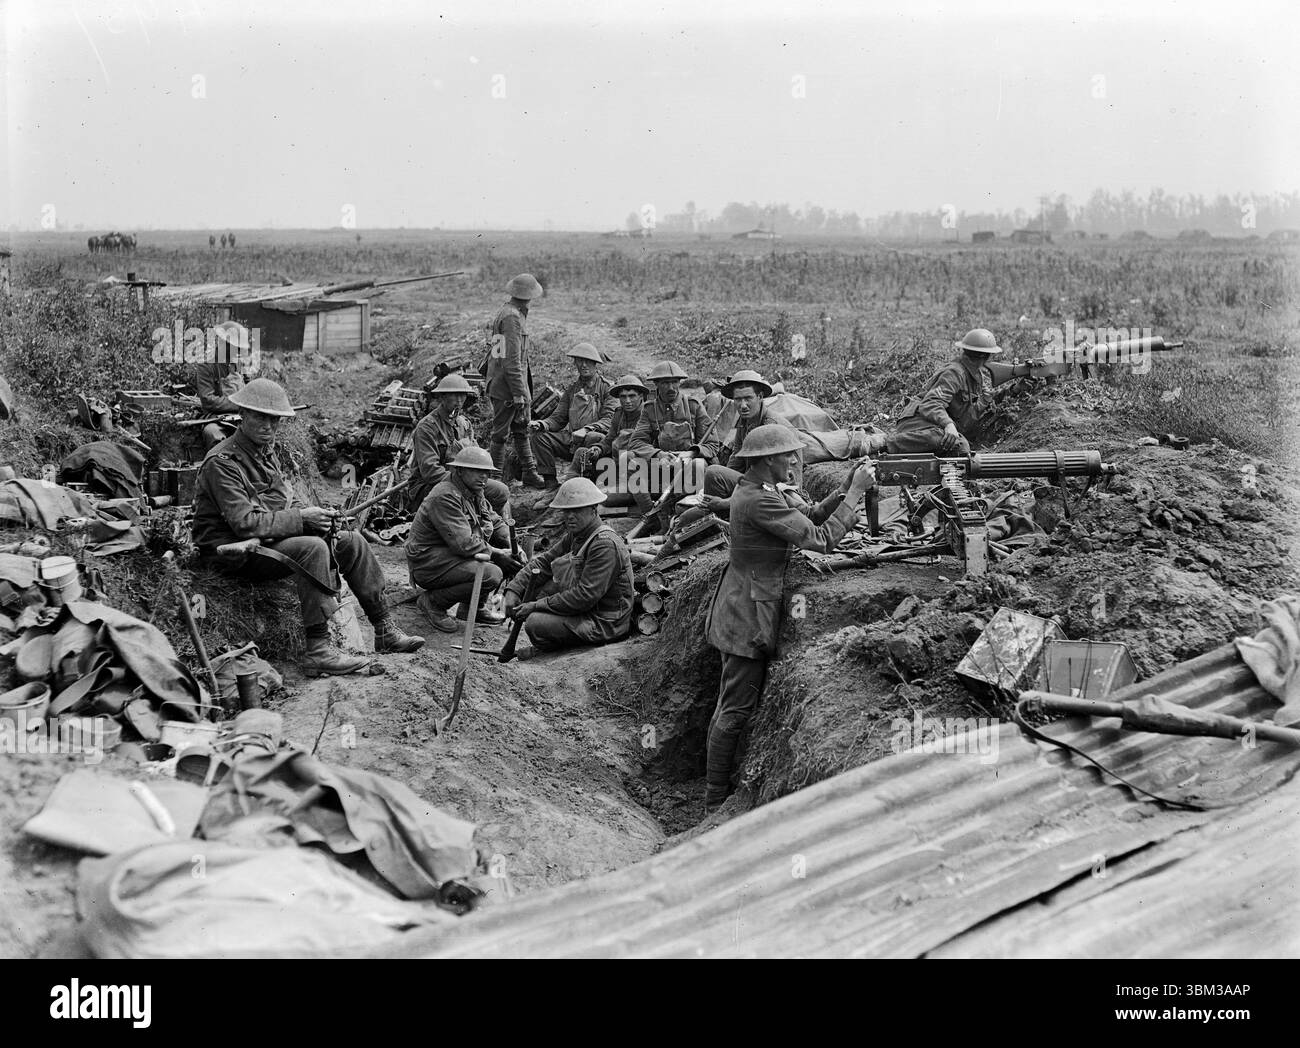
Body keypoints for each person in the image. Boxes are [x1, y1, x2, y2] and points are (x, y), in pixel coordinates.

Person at [192, 378, 423, 676]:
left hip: (264, 540)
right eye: (260, 417)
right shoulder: (222, 461)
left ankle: (384, 628)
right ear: (243, 414)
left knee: (351, 541)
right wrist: (303, 521)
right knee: (312, 549)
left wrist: (319, 517)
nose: (268, 426)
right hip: (230, 551)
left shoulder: (265, 453)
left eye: (274, 419)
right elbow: (245, 523)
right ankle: (318, 650)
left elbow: (280, 505)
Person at [702, 425, 877, 811]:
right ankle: (714, 800)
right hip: (746, 611)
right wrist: (856, 494)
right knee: (734, 709)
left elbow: (809, 514)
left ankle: (717, 788)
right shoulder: (757, 500)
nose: (795, 462)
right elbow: (819, 538)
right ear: (766, 461)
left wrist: (843, 487)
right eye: (788, 455)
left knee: (730, 704)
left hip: (744, 601)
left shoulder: (760, 490)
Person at [502, 478, 634, 653]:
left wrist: (536, 605)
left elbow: (584, 596)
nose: (570, 516)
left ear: (594, 509)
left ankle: (565, 650)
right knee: (534, 588)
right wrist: (514, 589)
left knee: (535, 623)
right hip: (586, 610)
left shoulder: (604, 544)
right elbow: (544, 562)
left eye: (577, 510)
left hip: (605, 621)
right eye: (567, 511)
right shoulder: (577, 534)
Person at [889, 327, 1054, 455]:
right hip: (917, 423)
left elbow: (972, 414)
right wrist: (948, 425)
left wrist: (1015, 389)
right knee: (959, 445)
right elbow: (930, 405)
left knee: (959, 444)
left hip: (932, 424)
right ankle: (884, 443)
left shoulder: (976, 374)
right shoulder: (955, 372)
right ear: (986, 356)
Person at [406, 447, 517, 633]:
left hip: (448, 556)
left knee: (510, 557)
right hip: (428, 563)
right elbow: (464, 544)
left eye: (487, 473)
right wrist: (497, 554)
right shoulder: (445, 495)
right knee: (491, 573)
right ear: (459, 470)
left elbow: (493, 519)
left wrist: (511, 543)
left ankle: (472, 608)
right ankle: (432, 602)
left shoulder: (473, 489)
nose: (484, 478)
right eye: (477, 472)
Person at [629, 360, 721, 530]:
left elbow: (712, 444)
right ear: (656, 384)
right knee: (630, 461)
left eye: (674, 382)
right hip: (664, 465)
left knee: (699, 465)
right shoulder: (649, 409)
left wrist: (693, 453)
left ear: (680, 383)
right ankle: (652, 516)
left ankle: (695, 519)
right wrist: (658, 454)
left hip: (691, 466)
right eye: (665, 383)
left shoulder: (693, 406)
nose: (671, 388)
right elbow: (636, 442)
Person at [700, 370, 802, 514]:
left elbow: (786, 486)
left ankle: (725, 521)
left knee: (713, 473)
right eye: (738, 400)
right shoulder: (744, 422)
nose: (742, 405)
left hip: (777, 495)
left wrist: (726, 502)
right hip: (754, 485)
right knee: (712, 476)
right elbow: (735, 462)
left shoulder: (775, 428)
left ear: (760, 397)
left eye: (748, 398)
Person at [409, 373, 510, 518]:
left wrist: (474, 479)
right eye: (454, 395)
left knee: (501, 492)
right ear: (442, 397)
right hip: (429, 487)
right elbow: (430, 472)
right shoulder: (426, 428)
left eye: (462, 395)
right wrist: (464, 484)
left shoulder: (464, 424)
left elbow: (476, 460)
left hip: (463, 480)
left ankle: (488, 527)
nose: (459, 400)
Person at [485, 273, 547, 489]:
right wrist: (519, 394)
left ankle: (529, 472)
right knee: (500, 435)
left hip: (503, 382)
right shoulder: (512, 318)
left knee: (521, 428)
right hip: (507, 387)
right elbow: (511, 361)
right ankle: (494, 482)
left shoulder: (508, 311)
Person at [526, 342, 616, 489]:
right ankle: (551, 485)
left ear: (595, 364)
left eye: (588, 361)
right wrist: (542, 424)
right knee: (539, 437)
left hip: (598, 442)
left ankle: (589, 483)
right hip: (573, 439)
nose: (584, 365)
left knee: (593, 438)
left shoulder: (607, 388)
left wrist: (587, 430)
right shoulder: (572, 390)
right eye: (580, 361)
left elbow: (609, 420)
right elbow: (558, 418)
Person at [194, 321, 252, 449]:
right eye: (234, 347)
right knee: (213, 433)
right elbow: (208, 400)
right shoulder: (206, 364)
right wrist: (239, 404)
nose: (237, 351)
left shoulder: (239, 363)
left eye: (238, 348)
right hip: (216, 418)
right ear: (222, 343)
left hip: (242, 417)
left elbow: (250, 388)